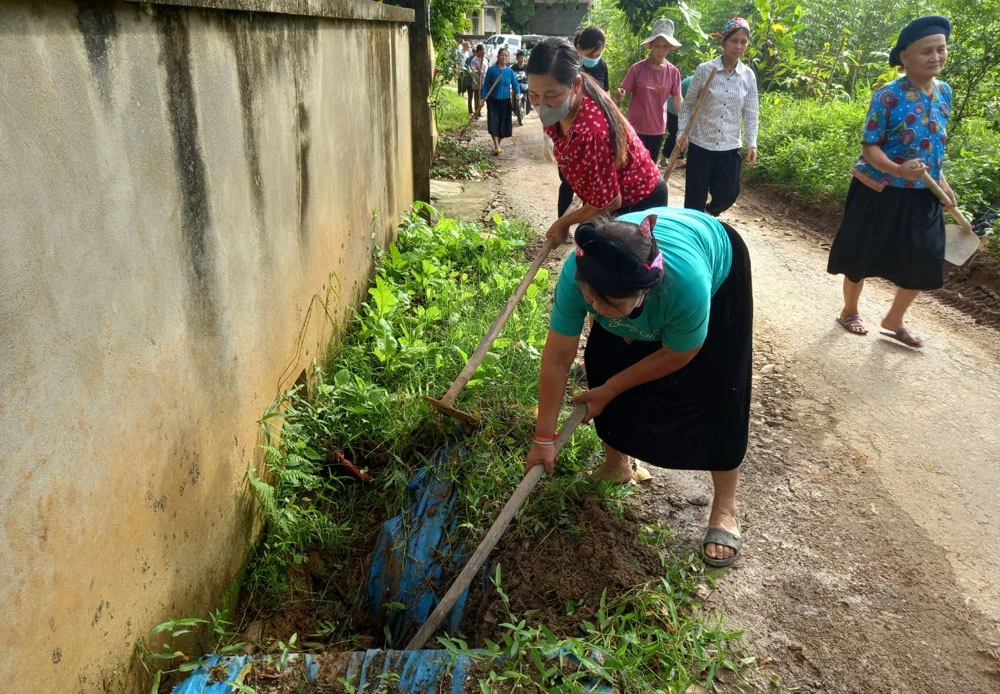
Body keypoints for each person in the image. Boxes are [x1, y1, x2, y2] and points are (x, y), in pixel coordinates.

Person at [525, 208, 753, 568]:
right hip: (625, 277)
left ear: (646, 291)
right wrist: (543, 438)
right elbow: (556, 359)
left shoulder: (687, 287)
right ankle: (617, 466)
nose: (595, 309)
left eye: (607, 304)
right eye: (590, 300)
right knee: (602, 363)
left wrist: (613, 389)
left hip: (717, 262)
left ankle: (725, 507)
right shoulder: (579, 271)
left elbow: (678, 354)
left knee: (721, 391)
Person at [827, 15, 955, 348]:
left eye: (941, 49)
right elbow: (869, 146)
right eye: (926, 51)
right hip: (879, 189)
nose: (936, 57)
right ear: (904, 58)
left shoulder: (944, 93)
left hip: (923, 192)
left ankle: (893, 319)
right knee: (862, 254)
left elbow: (935, 145)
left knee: (926, 257)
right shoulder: (888, 95)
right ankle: (849, 311)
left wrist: (943, 183)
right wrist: (898, 170)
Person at [527, 37, 666, 244]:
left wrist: (563, 223)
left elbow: (608, 202)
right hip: (612, 198)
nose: (541, 104)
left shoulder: (591, 133)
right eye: (533, 95)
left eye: (550, 95)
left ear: (576, 85)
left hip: (638, 202)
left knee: (620, 269)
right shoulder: (566, 105)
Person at [677, 18, 759, 216]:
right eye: (734, 41)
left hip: (729, 146)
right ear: (723, 42)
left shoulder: (748, 76)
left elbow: (751, 112)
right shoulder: (705, 70)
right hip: (700, 144)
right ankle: (693, 234)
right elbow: (688, 106)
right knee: (694, 200)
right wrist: (682, 134)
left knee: (729, 193)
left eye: (743, 41)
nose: (738, 46)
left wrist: (752, 143)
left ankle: (708, 215)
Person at [558, 27, 612, 217]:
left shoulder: (601, 66)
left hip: (594, 134)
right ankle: (562, 223)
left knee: (591, 181)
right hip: (570, 131)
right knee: (568, 181)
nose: (596, 57)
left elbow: (606, 94)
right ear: (579, 48)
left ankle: (586, 224)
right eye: (592, 54)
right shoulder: (567, 66)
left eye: (599, 53)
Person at [615, 19, 683, 164]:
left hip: (657, 128)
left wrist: (684, 123)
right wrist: (620, 95)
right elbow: (623, 90)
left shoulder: (673, 73)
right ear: (651, 46)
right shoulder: (637, 69)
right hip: (636, 127)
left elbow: (677, 99)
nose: (661, 50)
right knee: (633, 165)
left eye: (665, 46)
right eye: (657, 45)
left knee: (649, 166)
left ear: (670, 48)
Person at [481, 48, 520, 155]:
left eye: (506, 56)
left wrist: (517, 93)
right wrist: (482, 98)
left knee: (504, 124)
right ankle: (496, 146)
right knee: (494, 123)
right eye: (502, 55)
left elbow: (515, 84)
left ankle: (497, 145)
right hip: (493, 101)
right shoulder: (492, 70)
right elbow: (486, 85)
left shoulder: (509, 71)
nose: (504, 57)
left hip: (505, 101)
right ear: (498, 57)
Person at [663, 75, 693, 164]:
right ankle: (674, 158)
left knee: (682, 133)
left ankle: (668, 156)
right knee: (676, 134)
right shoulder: (694, 82)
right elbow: (690, 102)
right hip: (672, 108)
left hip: (682, 108)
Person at [469, 44, 487, 118]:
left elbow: (486, 71)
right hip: (477, 82)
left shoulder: (485, 60)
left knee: (483, 98)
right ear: (479, 51)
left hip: (484, 82)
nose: (484, 51)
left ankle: (479, 110)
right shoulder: (474, 60)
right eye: (483, 50)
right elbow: (472, 70)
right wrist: (477, 71)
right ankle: (476, 113)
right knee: (477, 98)